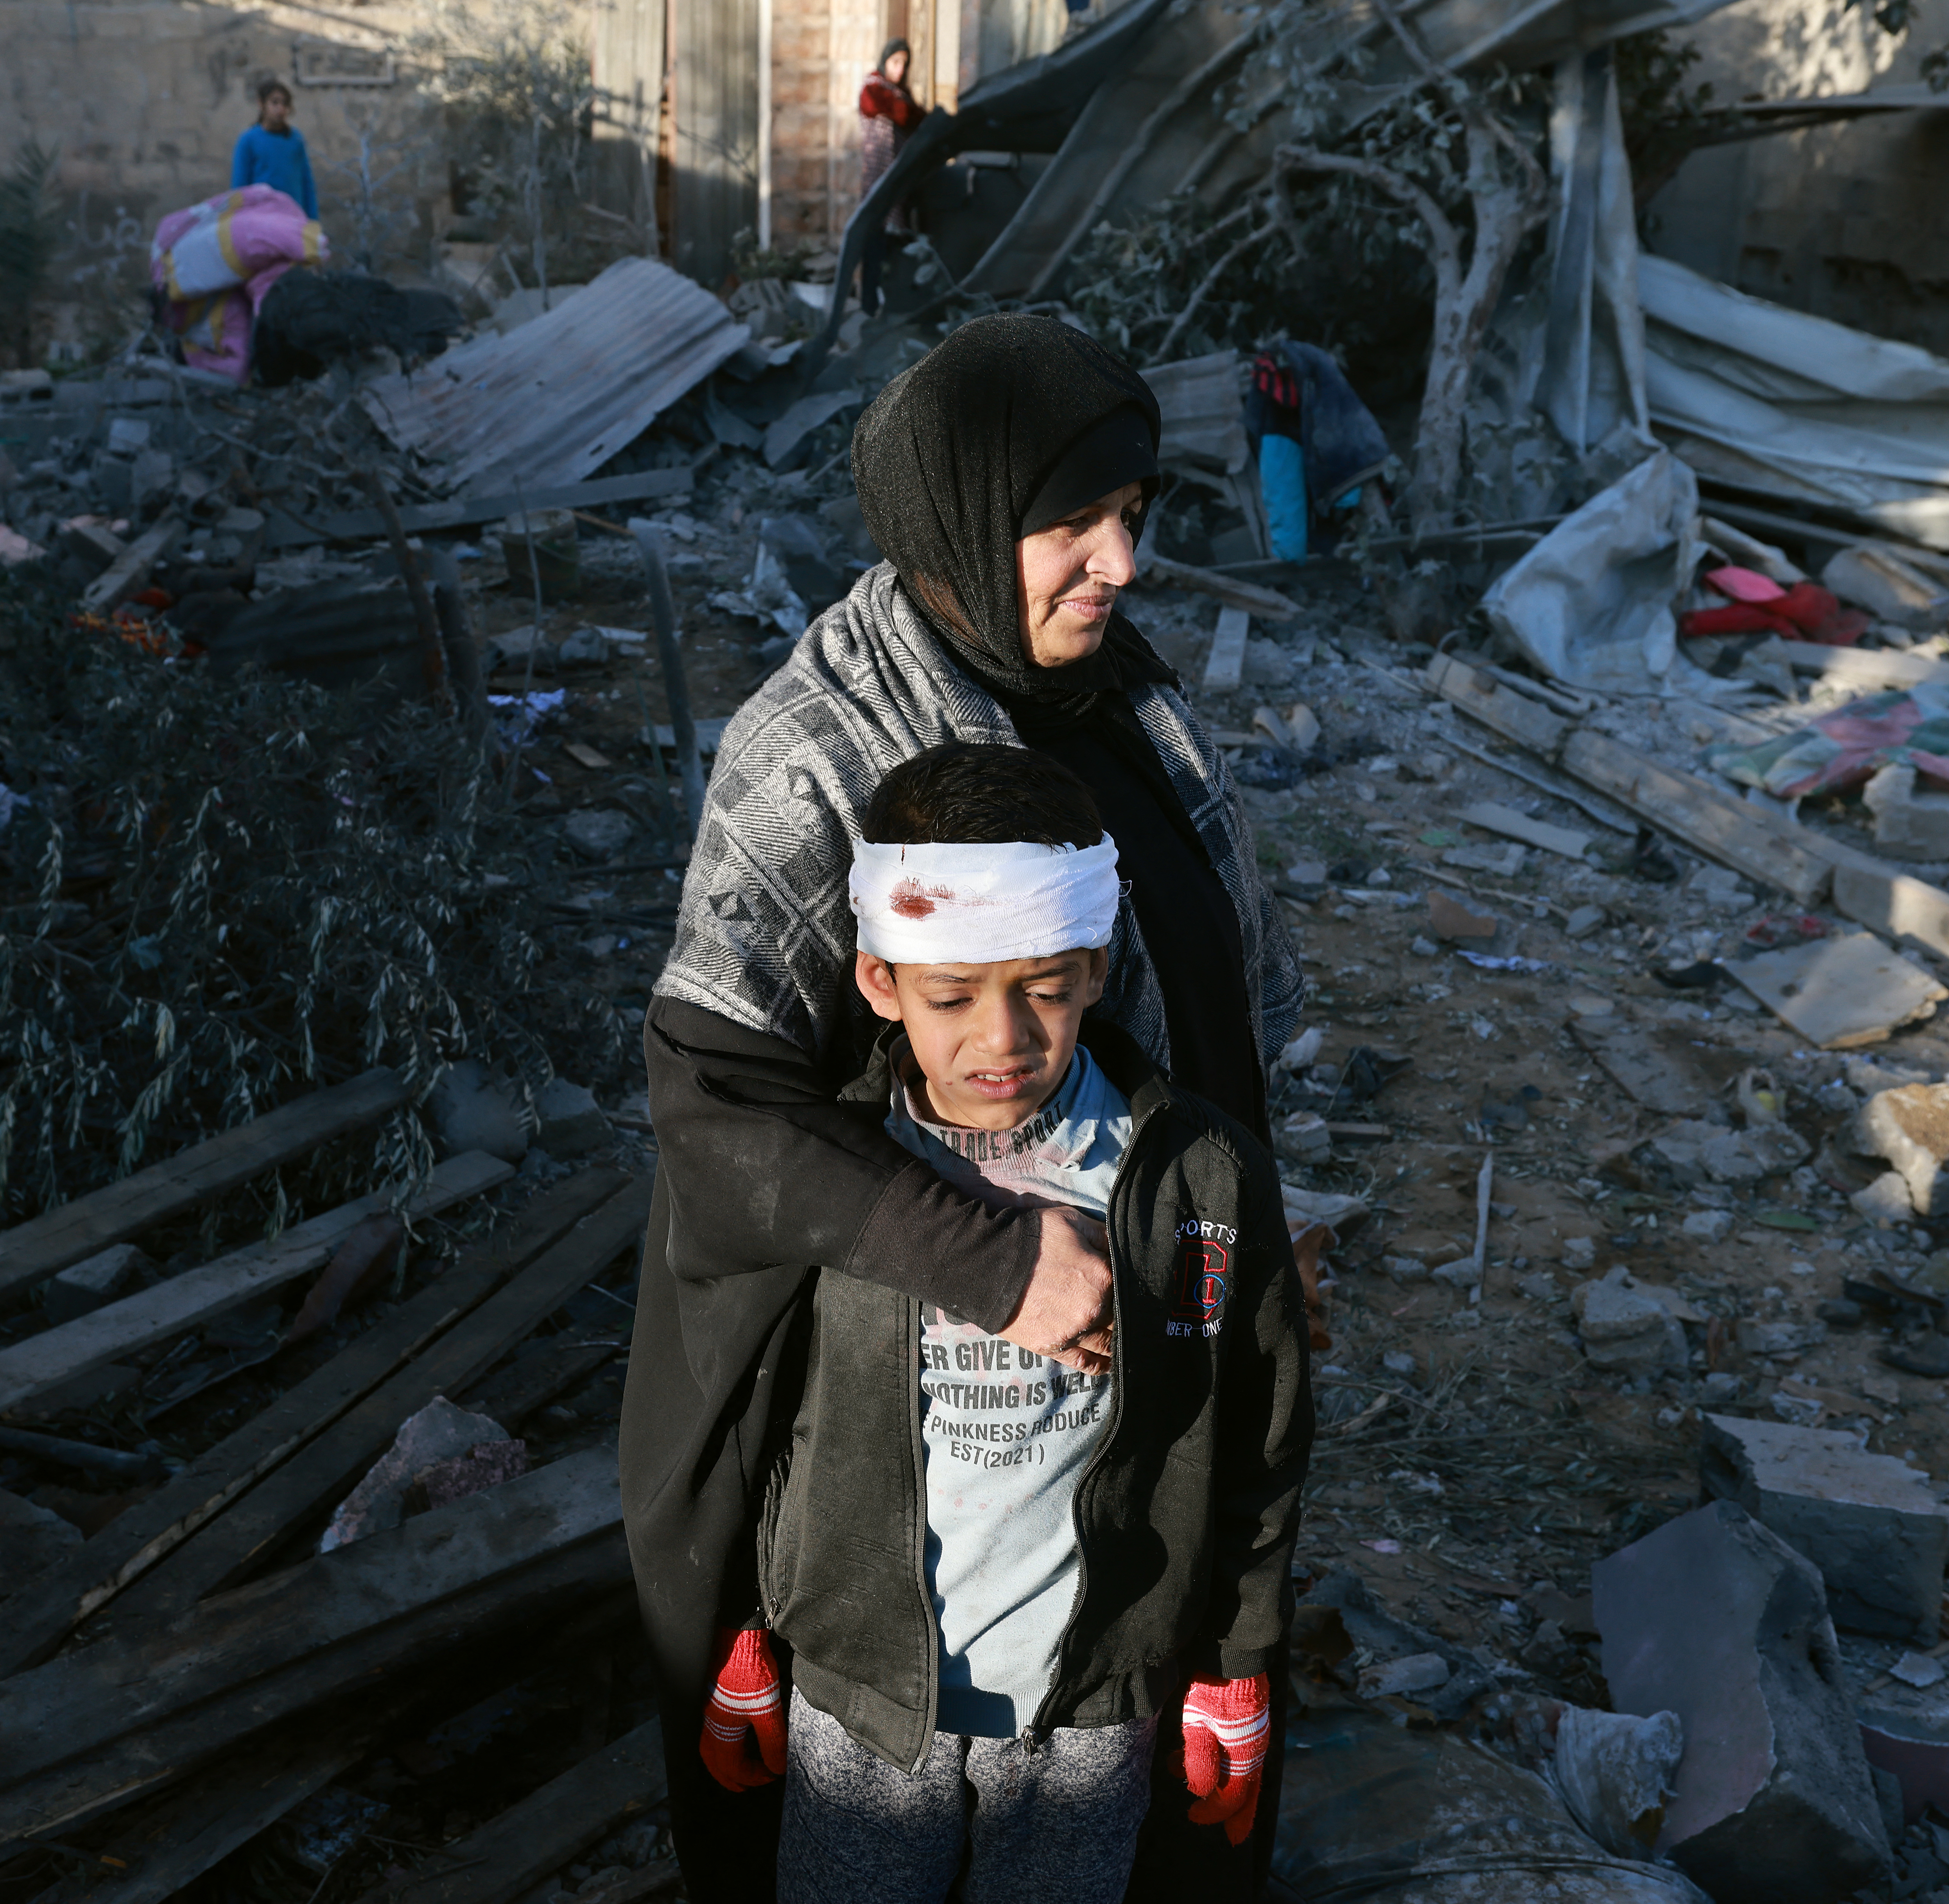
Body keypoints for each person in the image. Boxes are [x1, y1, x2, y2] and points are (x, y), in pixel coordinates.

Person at [622, 312, 1307, 1904]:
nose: (1119, 560)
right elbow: (713, 1106)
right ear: (953, 524)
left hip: (1123, 1434)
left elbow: (1204, 984)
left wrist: (1257, 1225)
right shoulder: (822, 750)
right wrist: (998, 1260)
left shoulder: (1113, 690)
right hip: (880, 1461)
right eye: (1069, 524)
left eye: (1134, 514)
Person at [696, 739, 1307, 1904]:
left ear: (1093, 965)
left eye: (1039, 987)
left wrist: (1233, 1664)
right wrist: (749, 1624)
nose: (1001, 1041)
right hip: (863, 1698)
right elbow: (754, 1411)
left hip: (1089, 1706)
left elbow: (1258, 1435)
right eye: (950, 995)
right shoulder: (837, 1178)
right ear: (879, 981)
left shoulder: (1193, 1184)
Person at [855, 40, 925, 314]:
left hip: (900, 184)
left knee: (896, 249)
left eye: (905, 64)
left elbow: (915, 117)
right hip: (878, 183)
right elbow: (905, 114)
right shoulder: (873, 89)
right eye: (896, 62)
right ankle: (868, 311)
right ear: (885, 61)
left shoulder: (898, 93)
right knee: (875, 246)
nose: (900, 69)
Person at [231, 81, 318, 218]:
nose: (281, 109)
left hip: (293, 216)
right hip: (261, 217)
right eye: (275, 103)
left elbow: (306, 182)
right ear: (262, 104)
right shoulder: (249, 140)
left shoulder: (295, 140)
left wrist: (313, 220)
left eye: (285, 104)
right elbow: (240, 186)